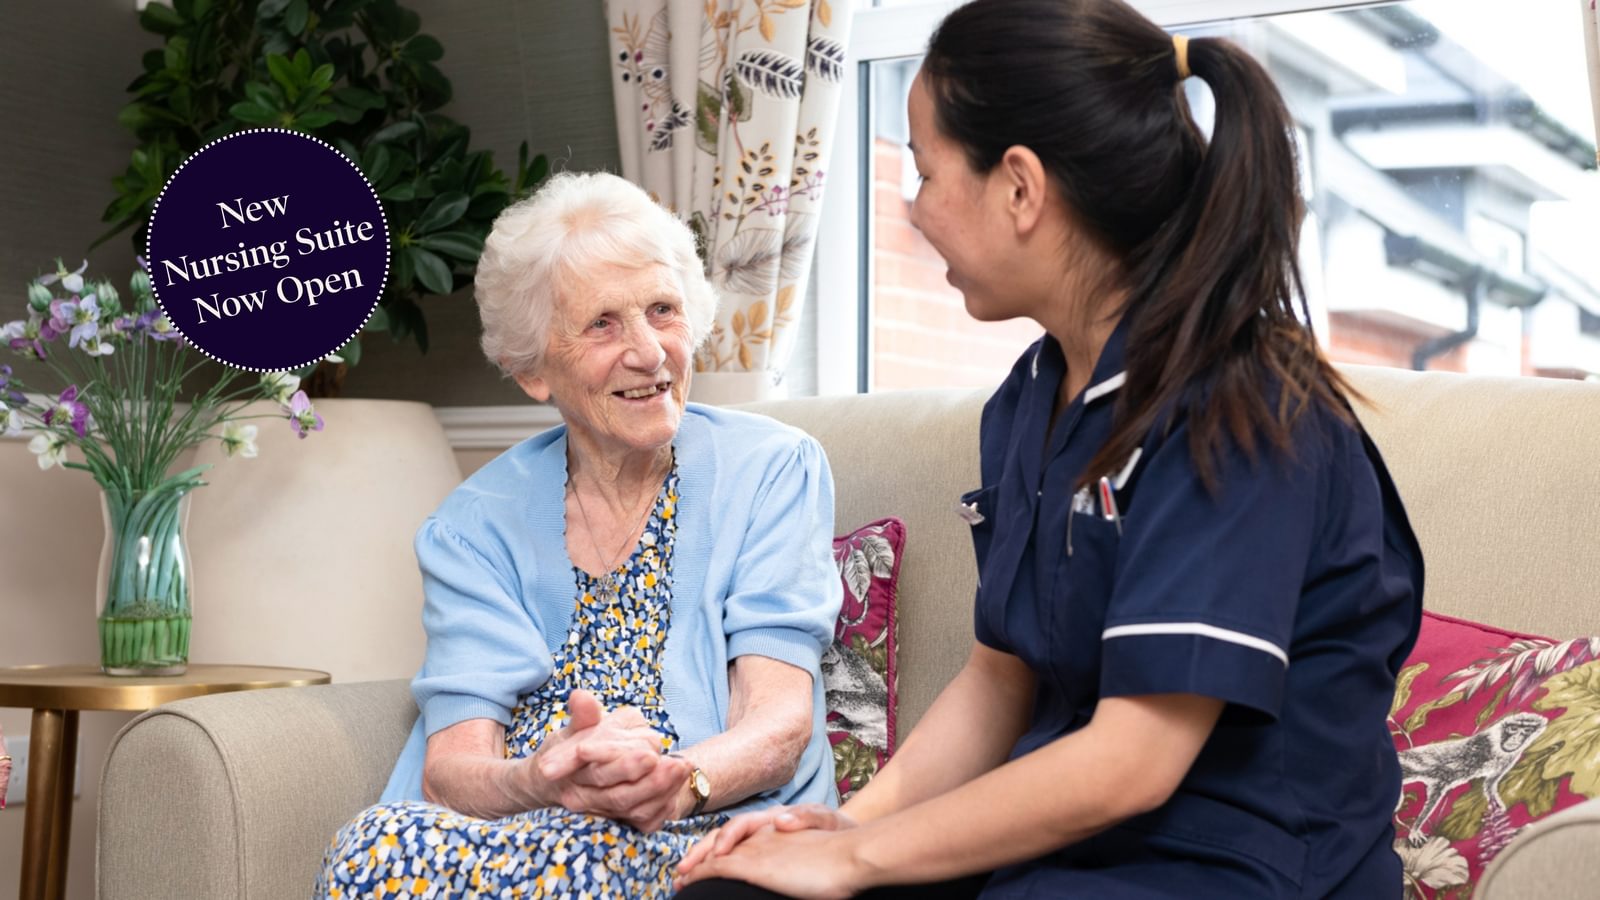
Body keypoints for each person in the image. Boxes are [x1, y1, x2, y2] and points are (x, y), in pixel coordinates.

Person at [673, 0, 1424, 897]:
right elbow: (1000, 682)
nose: (914, 211)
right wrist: (846, 825)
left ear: (1020, 187)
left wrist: (854, 862)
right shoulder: (1030, 401)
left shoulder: (1245, 407)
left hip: (1230, 864)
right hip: (1067, 850)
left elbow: (1130, 765)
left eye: (925, 172)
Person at [315, 171, 844, 899]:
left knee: (592, 860)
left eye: (663, 311)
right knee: (371, 846)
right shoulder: (475, 522)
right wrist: (537, 778)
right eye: (603, 324)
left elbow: (780, 722)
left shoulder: (772, 469)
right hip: (523, 826)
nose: (650, 353)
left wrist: (677, 782)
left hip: (702, 818)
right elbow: (453, 768)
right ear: (534, 369)